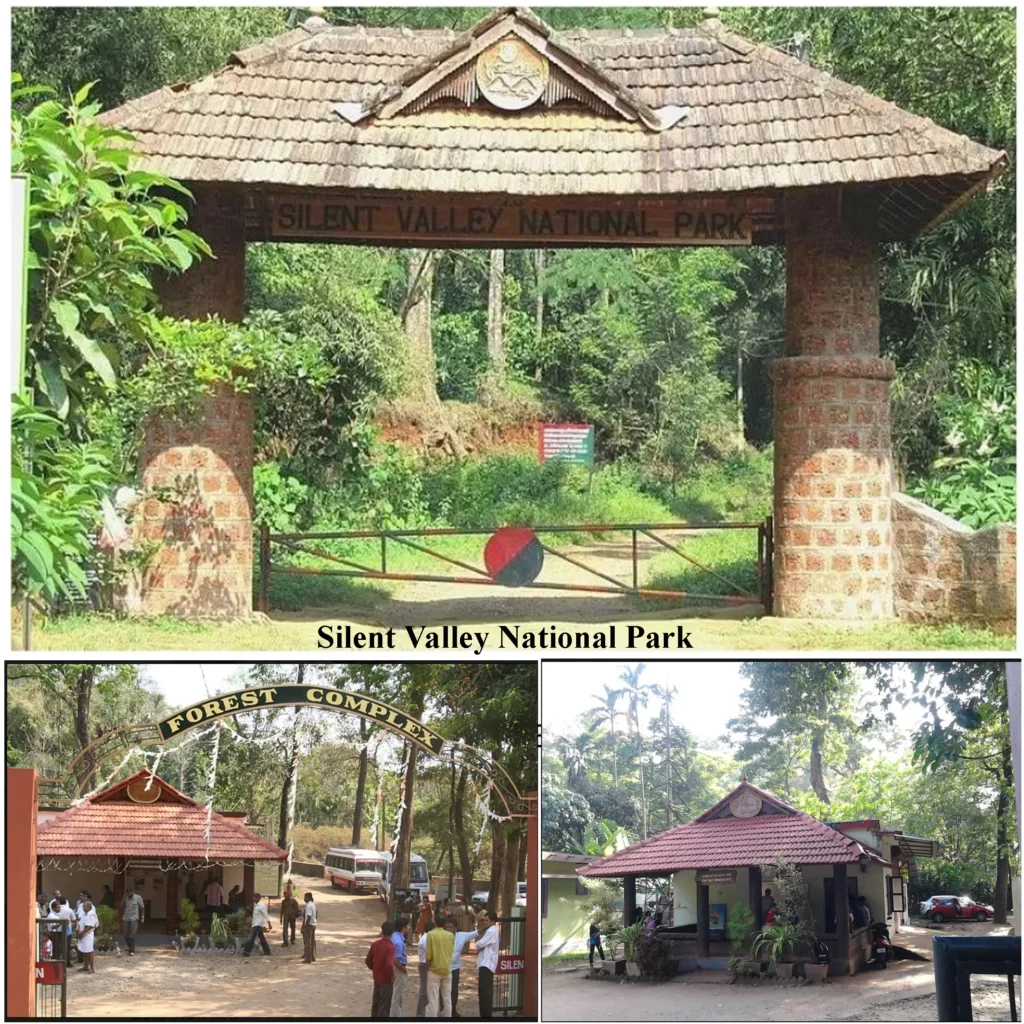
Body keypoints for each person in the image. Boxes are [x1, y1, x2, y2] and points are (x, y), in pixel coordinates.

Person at [424, 913, 455, 1018]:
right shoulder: (451, 935)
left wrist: (427, 968)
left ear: (435, 922)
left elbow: (429, 955)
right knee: (447, 999)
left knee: (433, 999)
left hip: (434, 970)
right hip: (447, 970)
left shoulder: (431, 934)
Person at [448, 920, 478, 1018]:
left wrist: (488, 925)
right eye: (446, 927)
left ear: (456, 928)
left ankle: (453, 1010)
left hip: (455, 968)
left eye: (450, 927)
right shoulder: (442, 936)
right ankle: (444, 1010)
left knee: (454, 990)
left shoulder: (461, 936)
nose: (448, 929)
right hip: (443, 968)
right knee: (443, 991)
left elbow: (475, 933)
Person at [366, 921, 396, 1019]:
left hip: (377, 977)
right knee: (385, 1005)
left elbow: (368, 960)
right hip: (386, 980)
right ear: (392, 932)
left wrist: (374, 968)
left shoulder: (375, 944)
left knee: (376, 1003)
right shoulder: (390, 947)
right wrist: (391, 976)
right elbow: (388, 965)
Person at [475, 911, 499, 1019]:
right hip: (485, 963)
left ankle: (486, 1016)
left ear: (493, 921)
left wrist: (479, 945)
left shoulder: (492, 931)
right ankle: (485, 1014)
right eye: (484, 920)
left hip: (487, 964)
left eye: (487, 920)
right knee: (485, 991)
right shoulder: (490, 931)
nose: (485, 922)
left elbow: (479, 944)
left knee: (485, 992)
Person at [390, 916, 411, 1017]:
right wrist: (403, 969)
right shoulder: (398, 942)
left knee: (397, 994)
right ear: (403, 928)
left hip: (396, 968)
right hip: (399, 968)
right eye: (407, 926)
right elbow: (395, 960)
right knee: (397, 996)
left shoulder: (395, 936)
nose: (408, 928)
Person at [242, 892, 272, 957]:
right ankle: (267, 951)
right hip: (256, 924)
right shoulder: (257, 905)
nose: (253, 898)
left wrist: (269, 923)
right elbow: (255, 916)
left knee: (251, 937)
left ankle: (246, 951)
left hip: (258, 924)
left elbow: (265, 914)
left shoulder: (261, 906)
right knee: (261, 938)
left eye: (254, 897)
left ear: (258, 898)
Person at [415, 920, 434, 1017]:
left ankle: (424, 1012)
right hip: (424, 965)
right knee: (424, 990)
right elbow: (428, 955)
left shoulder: (426, 937)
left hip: (424, 964)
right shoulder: (426, 938)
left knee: (427, 990)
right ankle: (420, 1013)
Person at [120, 888, 145, 957]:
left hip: (134, 917)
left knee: (132, 935)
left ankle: (131, 950)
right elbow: (121, 906)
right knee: (125, 934)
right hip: (126, 917)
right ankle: (130, 946)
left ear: (132, 892)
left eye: (129, 893)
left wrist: (142, 917)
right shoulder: (126, 898)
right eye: (127, 893)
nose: (128, 895)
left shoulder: (138, 897)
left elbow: (142, 907)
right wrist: (123, 898)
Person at [76, 900, 98, 974]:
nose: (82, 907)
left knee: (89, 951)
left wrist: (81, 933)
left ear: (88, 907)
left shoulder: (91, 914)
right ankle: (86, 966)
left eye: (84, 906)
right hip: (82, 935)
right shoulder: (84, 914)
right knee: (84, 951)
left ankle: (92, 968)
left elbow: (90, 926)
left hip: (87, 935)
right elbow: (80, 924)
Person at [301, 892, 317, 963]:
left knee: (308, 942)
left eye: (305, 897)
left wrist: (305, 926)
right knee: (312, 941)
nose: (304, 899)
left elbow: (308, 917)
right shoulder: (312, 905)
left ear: (308, 898)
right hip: (313, 924)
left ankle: (308, 959)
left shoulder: (309, 906)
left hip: (309, 925)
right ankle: (312, 956)